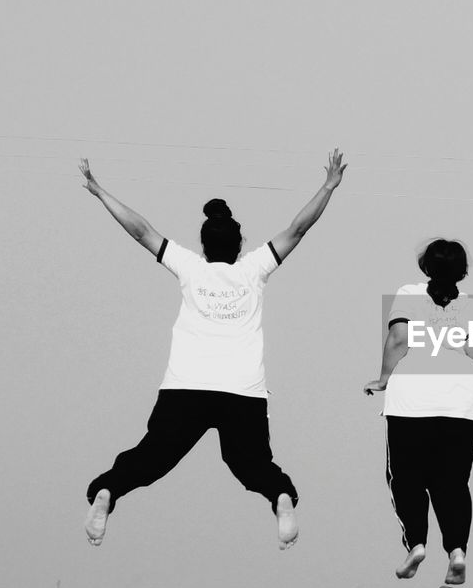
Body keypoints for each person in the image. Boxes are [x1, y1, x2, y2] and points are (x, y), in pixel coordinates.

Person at [81, 149, 348, 550]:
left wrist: (101, 192)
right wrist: (327, 186)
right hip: (242, 391)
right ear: (239, 245)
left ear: (203, 245)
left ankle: (108, 492)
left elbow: (140, 230)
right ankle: (280, 498)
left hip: (185, 388)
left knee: (152, 457)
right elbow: (297, 229)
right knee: (251, 465)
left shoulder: (190, 267)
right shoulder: (254, 269)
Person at [364, 239, 473, 586]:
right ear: (462, 272)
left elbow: (399, 340)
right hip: (463, 405)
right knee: (453, 482)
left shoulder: (408, 293)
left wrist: (384, 378)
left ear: (425, 267)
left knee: (406, 478)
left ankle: (417, 544)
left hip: (412, 402)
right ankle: (457, 552)